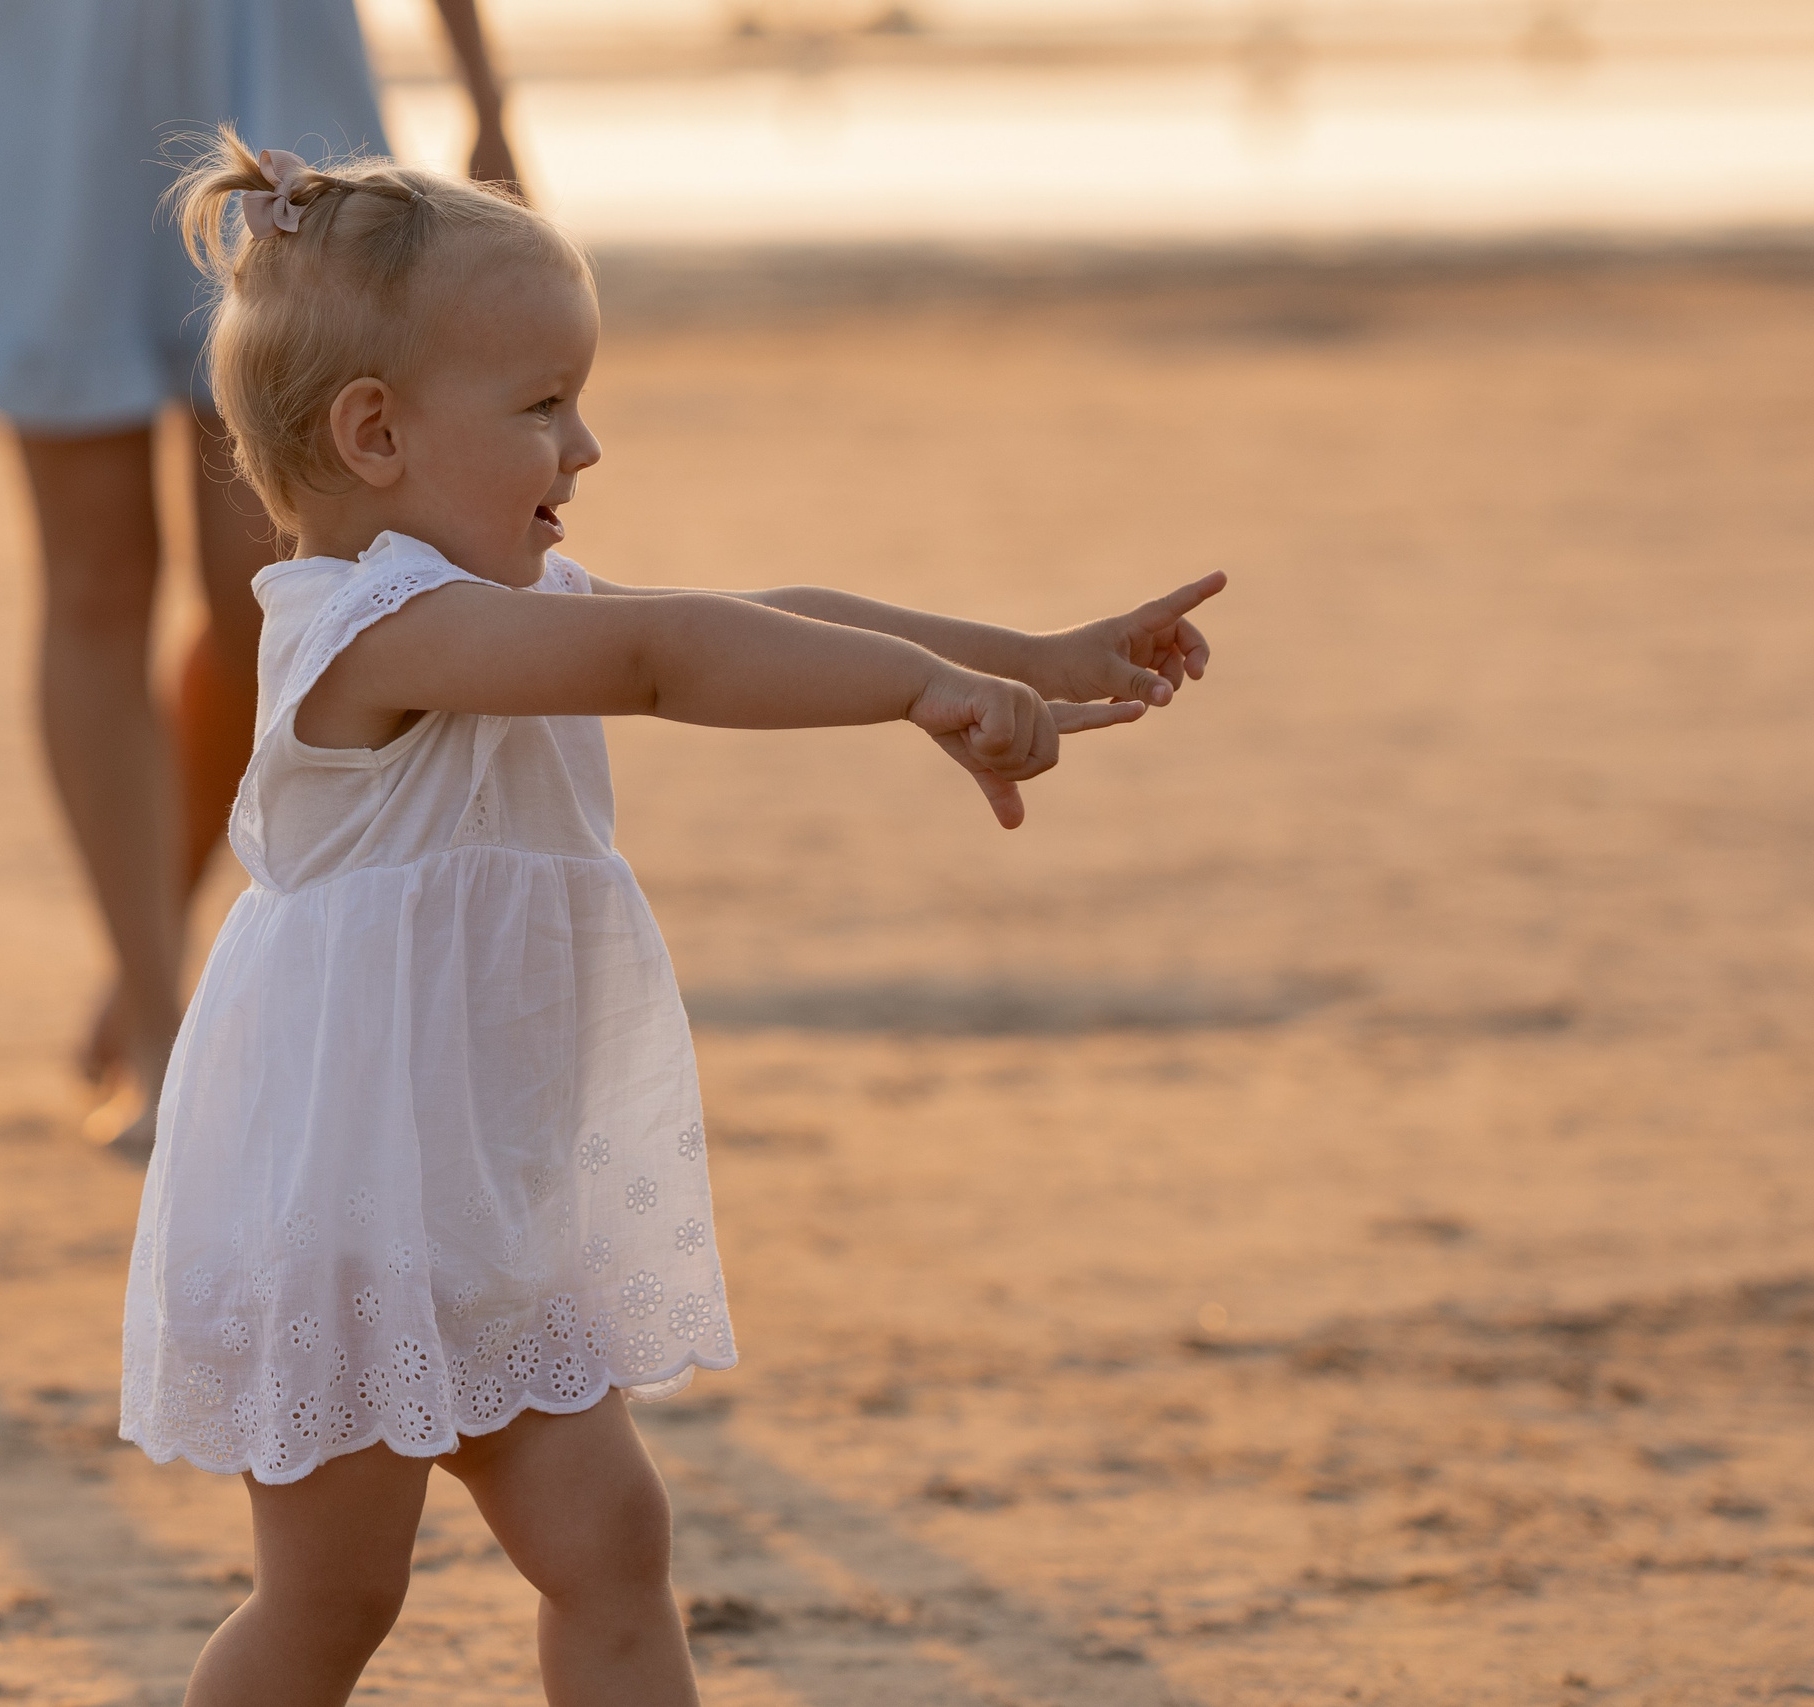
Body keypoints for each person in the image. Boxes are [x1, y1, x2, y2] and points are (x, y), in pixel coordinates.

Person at [120, 132, 1226, 1705]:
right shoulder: (368, 636)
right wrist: (919, 692)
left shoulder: (499, 611)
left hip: (488, 1189)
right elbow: (671, 659)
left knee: (610, 1537)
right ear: (374, 434)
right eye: (541, 406)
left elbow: (773, 616)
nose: (585, 447)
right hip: (350, 1210)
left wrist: (1029, 656)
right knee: (333, 1596)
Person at [0, 0, 517, 1148]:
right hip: (40, 88)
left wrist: (486, 105)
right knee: (95, 576)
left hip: (272, 64)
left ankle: (163, 931)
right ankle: (159, 1026)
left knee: (278, 583)